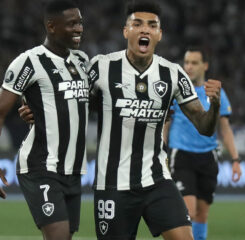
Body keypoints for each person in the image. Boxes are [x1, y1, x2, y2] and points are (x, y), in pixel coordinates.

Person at [20, 1, 221, 239]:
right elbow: (71, 100)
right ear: (126, 31)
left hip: (157, 179)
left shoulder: (173, 74)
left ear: (159, 34)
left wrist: (215, 105)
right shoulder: (101, 67)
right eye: (137, 24)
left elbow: (205, 127)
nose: (144, 30)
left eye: (152, 25)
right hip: (112, 186)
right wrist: (34, 110)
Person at [0, 1, 89, 239]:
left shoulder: (82, 61)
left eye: (80, 22)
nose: (79, 28)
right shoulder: (29, 62)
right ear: (51, 26)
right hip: (41, 166)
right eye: (72, 23)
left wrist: (36, 112)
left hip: (73, 169)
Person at [163, 47, 242, 240]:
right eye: (186, 62)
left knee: (202, 215)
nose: (188, 67)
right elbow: (165, 123)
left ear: (205, 65)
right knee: (188, 212)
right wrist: (161, 151)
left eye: (194, 63)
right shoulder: (177, 90)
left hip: (208, 158)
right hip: (181, 155)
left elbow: (225, 128)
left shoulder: (215, 92)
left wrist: (235, 159)